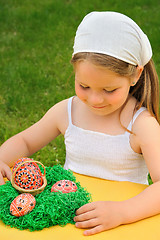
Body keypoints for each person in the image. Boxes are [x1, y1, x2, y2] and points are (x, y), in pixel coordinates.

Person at [0, 11, 160, 236]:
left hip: (122, 228)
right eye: (84, 86)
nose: (94, 100)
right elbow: (25, 141)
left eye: (109, 90)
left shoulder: (142, 125)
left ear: (135, 75)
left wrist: (123, 211)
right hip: (67, 223)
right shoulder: (67, 111)